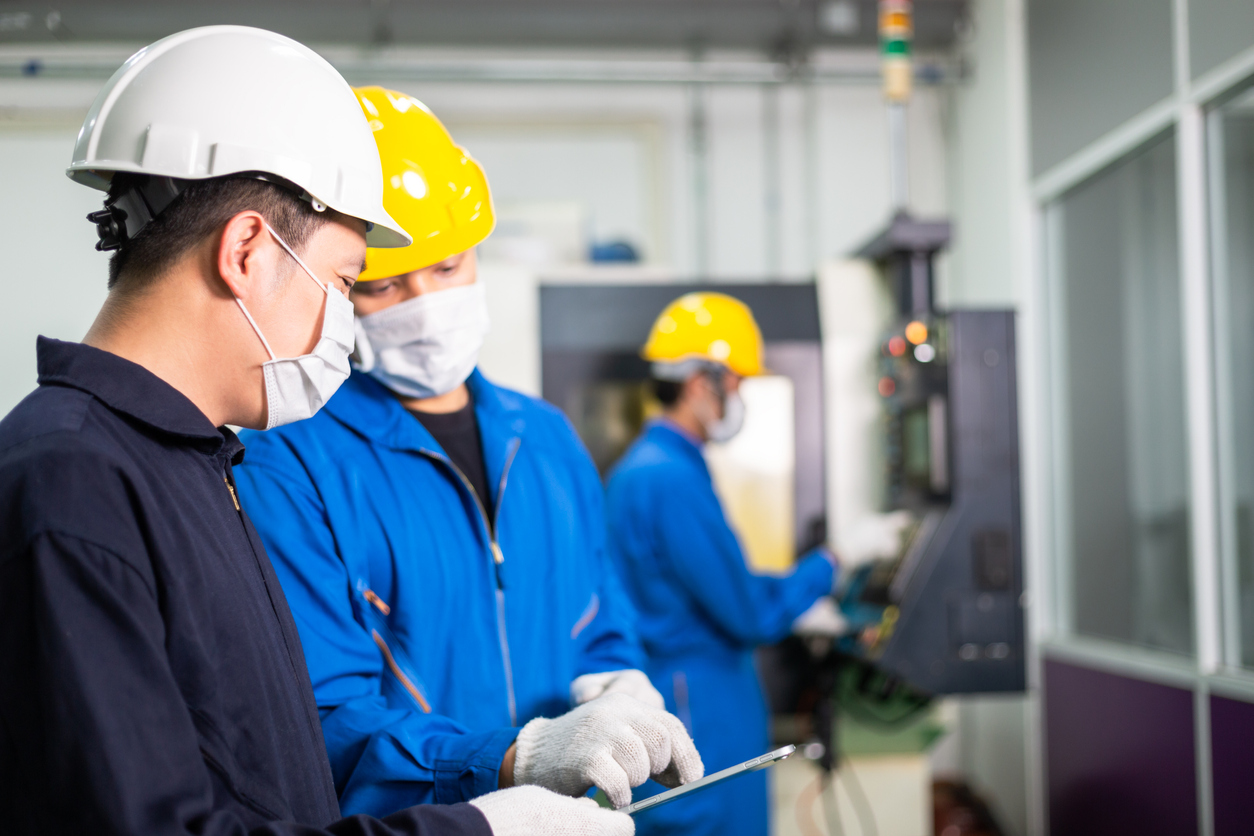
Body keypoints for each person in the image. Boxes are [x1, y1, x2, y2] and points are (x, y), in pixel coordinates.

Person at [0, 27, 632, 836]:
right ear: (248, 251)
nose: (346, 321)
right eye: (346, 281)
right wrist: (477, 828)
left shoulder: (188, 465)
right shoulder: (75, 484)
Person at [231, 86, 702, 819]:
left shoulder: (544, 439)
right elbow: (321, 720)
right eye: (384, 285)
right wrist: (515, 760)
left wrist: (617, 682)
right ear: (337, 280)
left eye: (447, 268)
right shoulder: (289, 466)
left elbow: (600, 623)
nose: (424, 303)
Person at [604, 292, 839, 836]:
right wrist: (830, 565)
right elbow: (747, 613)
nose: (740, 396)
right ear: (698, 382)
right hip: (699, 705)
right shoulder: (669, 478)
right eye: (736, 382)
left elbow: (715, 584)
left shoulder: (653, 467)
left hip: (683, 691)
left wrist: (794, 597)